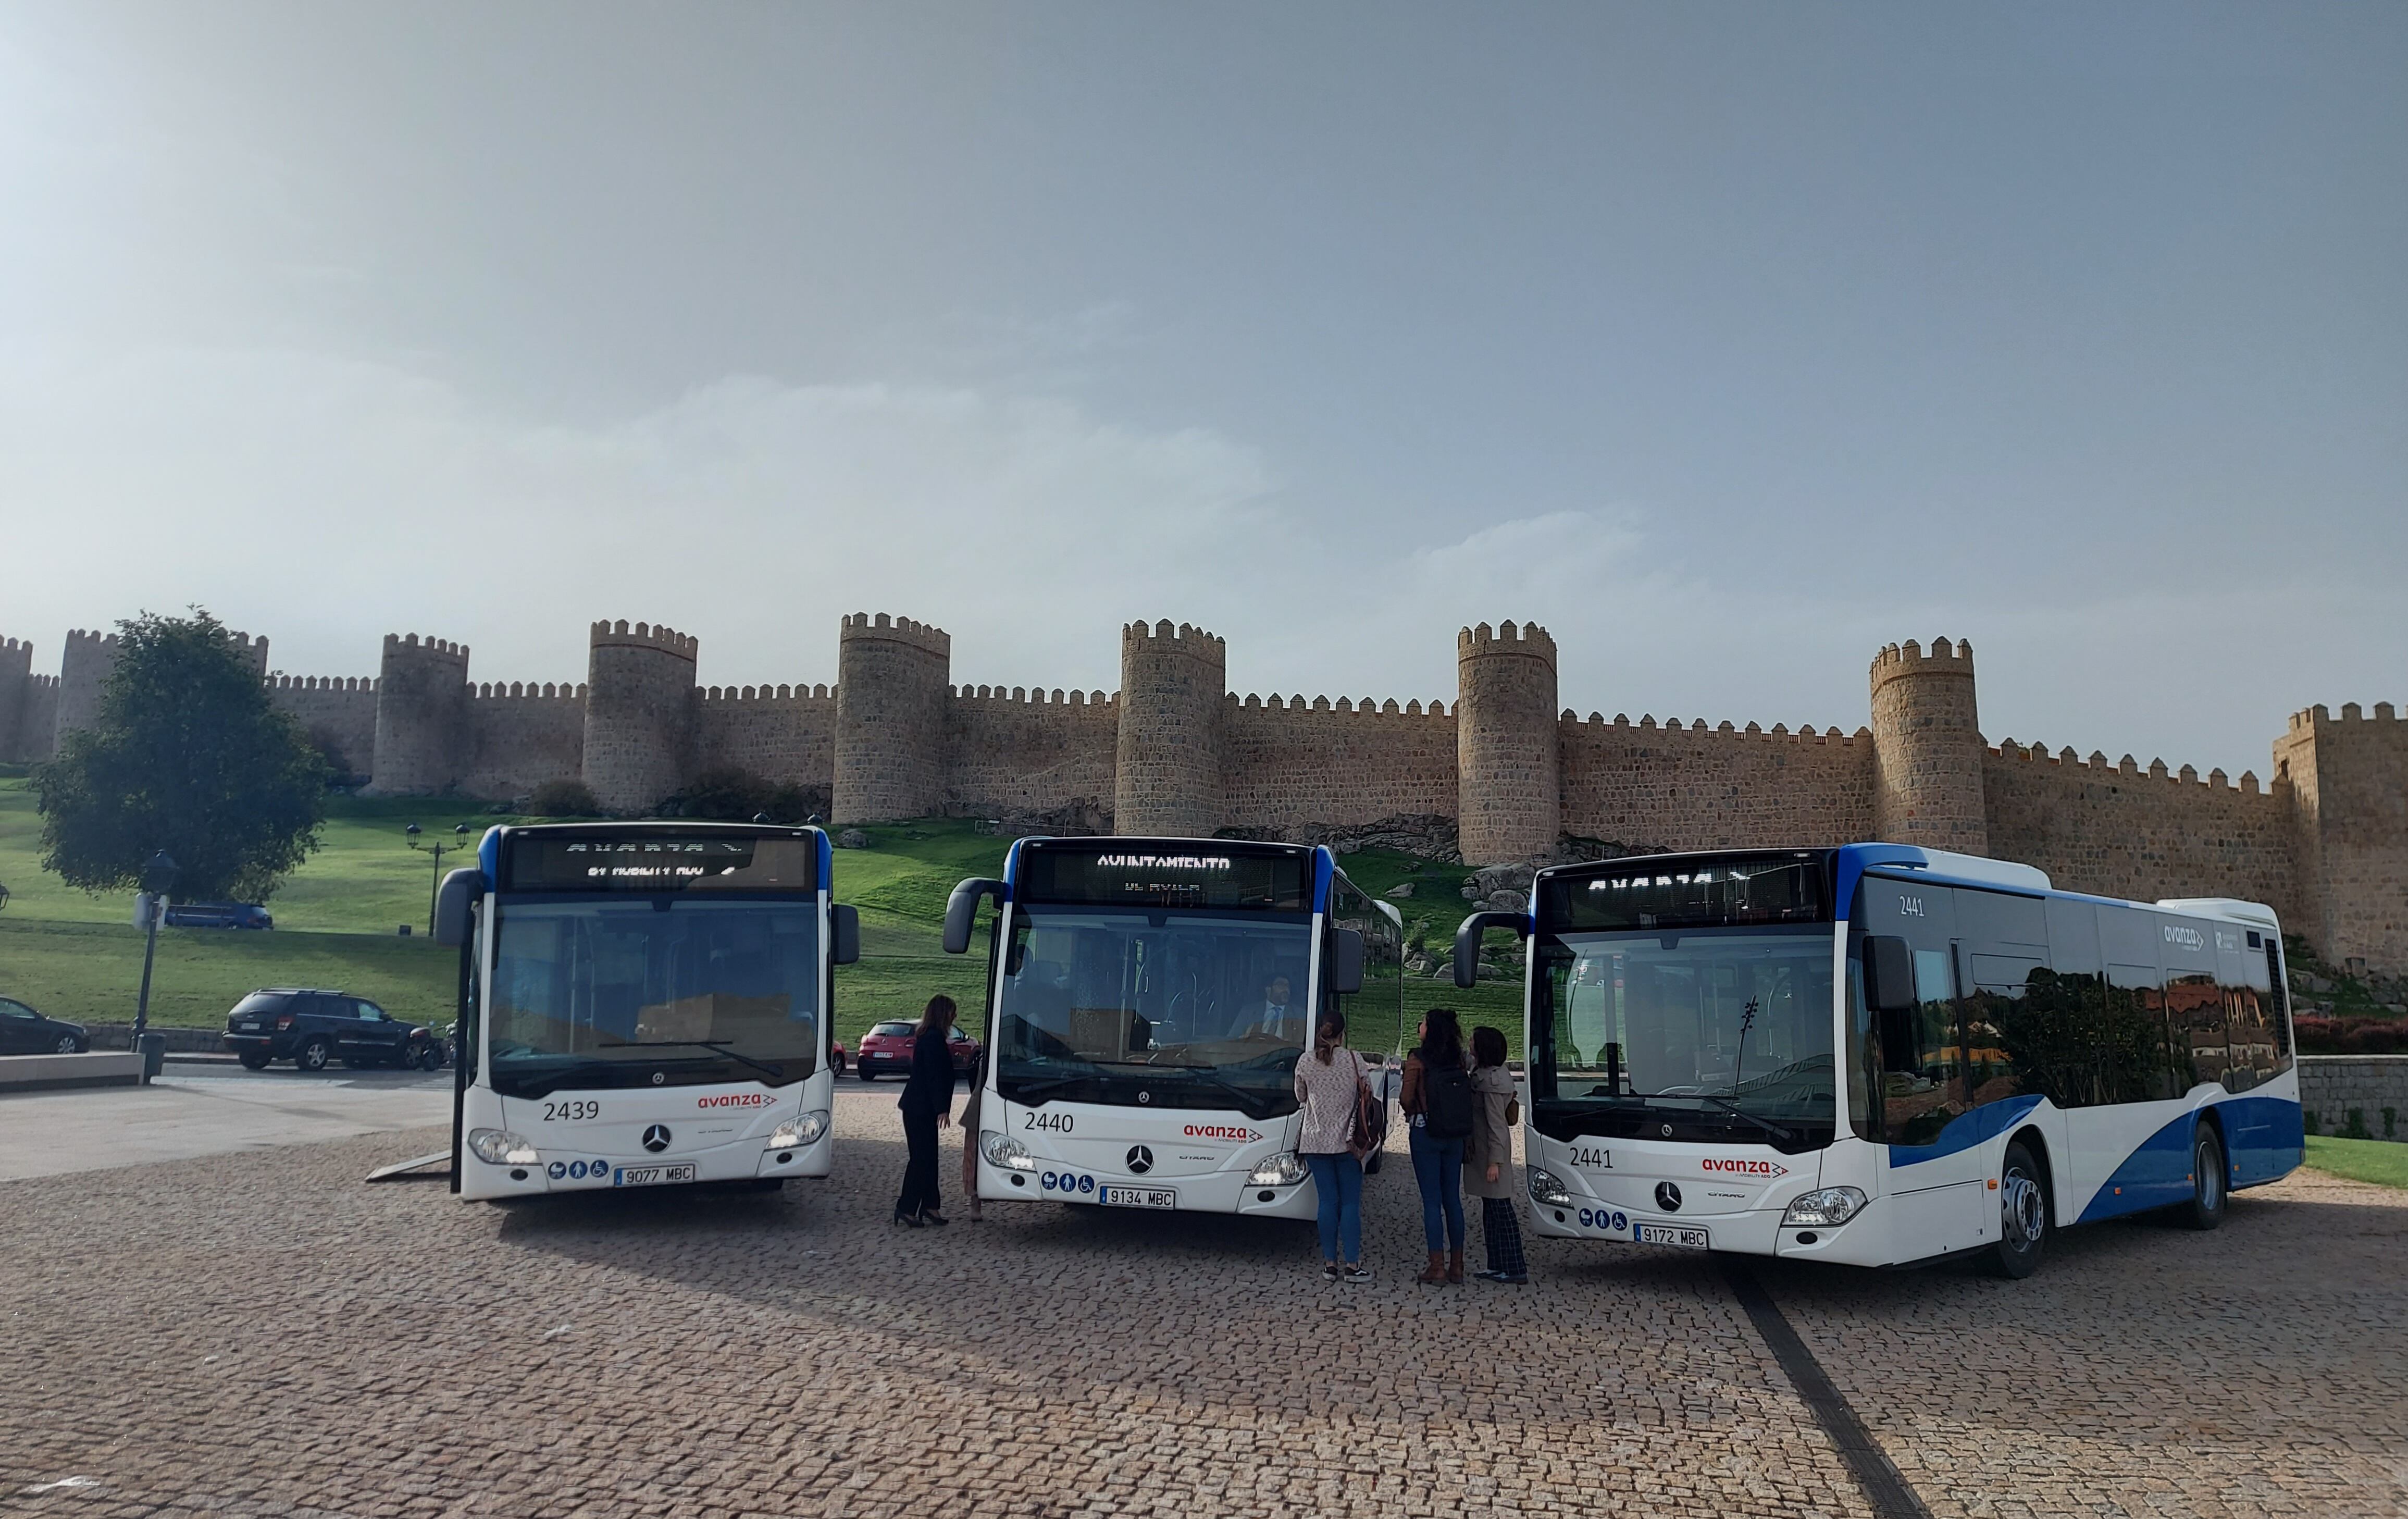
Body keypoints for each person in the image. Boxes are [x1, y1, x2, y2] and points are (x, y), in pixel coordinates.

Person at [1292, 1012, 1374, 1283]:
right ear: (1343, 1033)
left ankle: (1329, 1265)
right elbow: (1368, 1095)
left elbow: (1301, 1097)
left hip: (1315, 1141)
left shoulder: (1305, 1061)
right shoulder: (1354, 1060)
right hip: (1348, 1142)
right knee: (1350, 1203)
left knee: (1327, 1202)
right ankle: (1352, 1265)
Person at [1400, 1007, 1473, 1283]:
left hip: (1425, 1132)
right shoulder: (1458, 1060)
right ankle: (1457, 1266)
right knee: (1452, 1200)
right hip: (1454, 1134)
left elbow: (1407, 1097)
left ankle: (1437, 1266)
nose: (1419, 1025)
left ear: (1429, 1031)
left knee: (1432, 1202)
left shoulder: (1417, 1059)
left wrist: (1415, 1111)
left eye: (1424, 1023)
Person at [1465, 1024, 1528, 1285]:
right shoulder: (1489, 1073)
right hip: (1486, 1153)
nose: (1469, 1043)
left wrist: (1495, 1162)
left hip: (1491, 1155)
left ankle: (1514, 1268)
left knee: (1502, 1212)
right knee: (1491, 1211)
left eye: (1473, 1040)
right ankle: (1496, 1265)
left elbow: (1497, 1127)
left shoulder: (1491, 1083)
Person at [893, 994, 956, 1227]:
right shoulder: (932, 1039)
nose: (954, 1017)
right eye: (951, 1012)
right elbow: (933, 1077)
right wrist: (942, 1109)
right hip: (920, 1108)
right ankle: (906, 1207)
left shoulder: (932, 1037)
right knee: (921, 1159)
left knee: (930, 1158)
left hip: (922, 1108)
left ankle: (930, 1205)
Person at [958, 1042, 988, 1221]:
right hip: (979, 1109)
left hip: (984, 1106)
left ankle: (976, 1201)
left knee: (975, 1154)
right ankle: (975, 1201)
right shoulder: (987, 1056)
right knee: (974, 1155)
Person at [1240, 974, 1304, 1044]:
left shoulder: (1299, 1014)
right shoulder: (1249, 1011)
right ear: (1268, 990)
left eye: (1288, 986)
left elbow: (1300, 1043)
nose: (1286, 990)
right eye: (1281, 985)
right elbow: (1233, 1038)